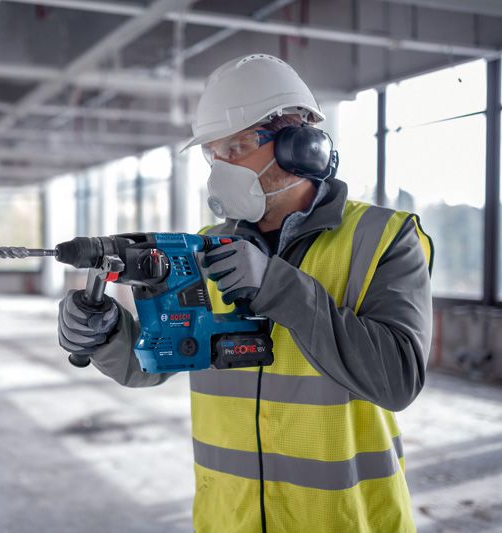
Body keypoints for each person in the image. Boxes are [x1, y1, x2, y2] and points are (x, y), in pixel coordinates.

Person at [58, 53, 433, 532]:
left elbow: (397, 379)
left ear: (299, 145)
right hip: (229, 520)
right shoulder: (202, 246)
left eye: (235, 147)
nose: (220, 167)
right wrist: (107, 333)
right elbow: (159, 359)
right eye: (212, 154)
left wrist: (277, 286)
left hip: (344, 521)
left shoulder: (383, 237)